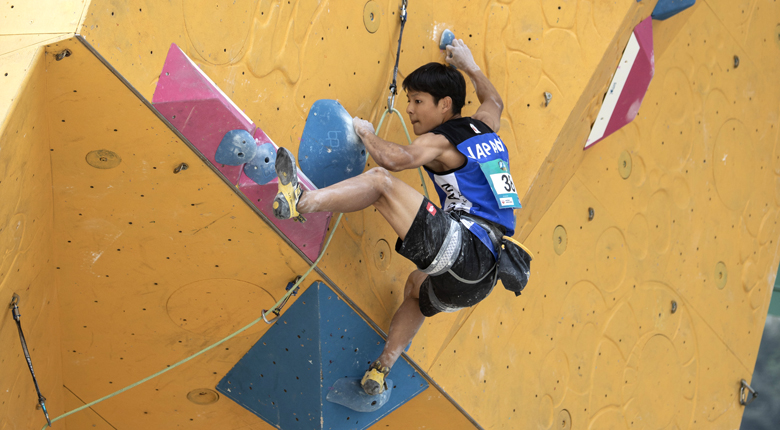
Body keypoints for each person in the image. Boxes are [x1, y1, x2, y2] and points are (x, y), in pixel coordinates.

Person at [272, 39, 521, 395]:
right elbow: (493, 101)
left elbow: (394, 160)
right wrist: (469, 64)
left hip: (466, 249)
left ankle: (302, 202)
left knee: (380, 183)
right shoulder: (485, 129)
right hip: (480, 280)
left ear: (444, 104)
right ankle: (381, 368)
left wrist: (366, 133)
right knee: (415, 290)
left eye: (418, 101)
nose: (409, 110)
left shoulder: (443, 141)